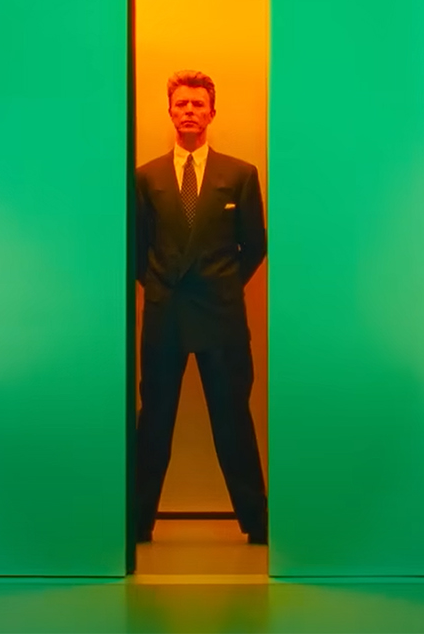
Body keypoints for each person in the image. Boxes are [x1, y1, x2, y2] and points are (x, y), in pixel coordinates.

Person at [134, 70, 269, 546]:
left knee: (234, 421)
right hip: (165, 315)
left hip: (221, 317)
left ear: (213, 112)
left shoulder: (240, 174)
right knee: (153, 423)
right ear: (169, 111)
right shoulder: (145, 177)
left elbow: (254, 245)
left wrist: (222, 285)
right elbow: (136, 249)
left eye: (198, 104)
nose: (189, 110)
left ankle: (257, 523)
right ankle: (136, 524)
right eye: (181, 104)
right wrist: (160, 287)